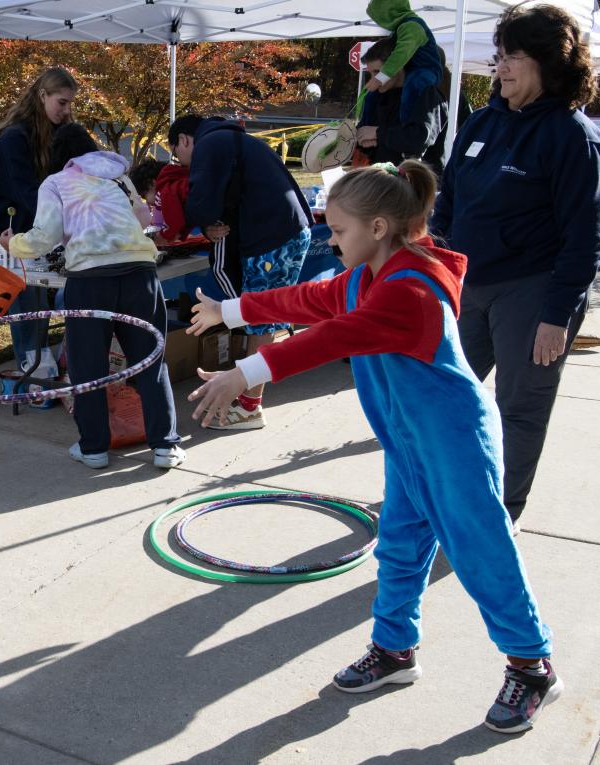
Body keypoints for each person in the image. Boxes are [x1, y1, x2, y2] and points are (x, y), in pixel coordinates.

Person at [187, 160, 561, 734]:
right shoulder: (365, 278)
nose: (330, 241)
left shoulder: (409, 293)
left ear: (380, 227)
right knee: (401, 547)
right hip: (407, 441)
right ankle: (394, 651)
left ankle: (532, 665)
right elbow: (306, 302)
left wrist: (247, 372)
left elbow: (330, 337)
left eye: (338, 232)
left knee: (481, 552)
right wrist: (228, 311)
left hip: (455, 441)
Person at [430, 4, 600, 525]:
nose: (501, 67)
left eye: (515, 57)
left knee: (519, 408)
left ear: (552, 64)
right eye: (499, 56)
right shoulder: (483, 122)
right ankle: (447, 486)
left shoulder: (573, 138)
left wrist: (557, 317)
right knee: (445, 395)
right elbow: (449, 202)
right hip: (469, 285)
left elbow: (586, 239)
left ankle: (500, 510)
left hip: (534, 292)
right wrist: (436, 271)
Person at [0, 124, 185, 470]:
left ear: (59, 156)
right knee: (149, 360)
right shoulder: (118, 178)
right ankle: (166, 447)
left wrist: (13, 244)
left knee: (89, 368)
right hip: (139, 275)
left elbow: (44, 237)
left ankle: (94, 449)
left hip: (90, 281)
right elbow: (143, 218)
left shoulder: (56, 183)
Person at [172, 113, 313, 429]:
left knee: (260, 321)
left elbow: (202, 203)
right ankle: (249, 397)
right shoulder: (230, 137)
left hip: (272, 237)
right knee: (261, 318)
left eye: (177, 154)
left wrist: (200, 222)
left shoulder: (210, 144)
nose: (181, 163)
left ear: (183, 139)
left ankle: (250, 406)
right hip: (288, 229)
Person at [0, 67, 78, 420]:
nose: (67, 110)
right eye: (62, 102)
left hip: (31, 241)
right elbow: (27, 194)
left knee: (31, 317)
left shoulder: (54, 135)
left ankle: (33, 383)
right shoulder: (13, 139)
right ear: (42, 96)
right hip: (1, 239)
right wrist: (62, 224)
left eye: (71, 103)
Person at [355, 36, 454, 174]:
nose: (374, 80)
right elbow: (376, 135)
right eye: (370, 73)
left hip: (418, 186)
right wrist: (361, 140)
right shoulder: (380, 96)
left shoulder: (425, 94)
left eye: (378, 72)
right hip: (384, 184)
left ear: (397, 66)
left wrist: (377, 133)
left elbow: (418, 139)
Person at [364, 0, 443, 124]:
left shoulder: (412, 26)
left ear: (389, 13)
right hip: (410, 69)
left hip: (427, 69)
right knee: (372, 95)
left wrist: (380, 78)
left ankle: (406, 124)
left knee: (414, 85)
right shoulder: (398, 30)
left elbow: (401, 54)